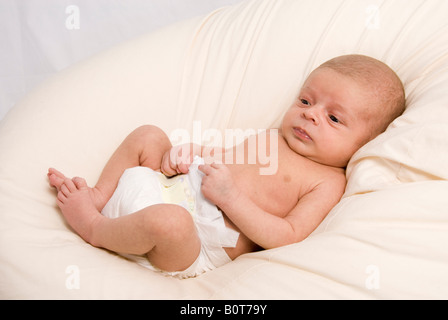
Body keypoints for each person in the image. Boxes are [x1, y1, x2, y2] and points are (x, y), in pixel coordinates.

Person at [47, 54, 406, 278]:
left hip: (192, 243)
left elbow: (288, 236)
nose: (310, 114)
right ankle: (98, 195)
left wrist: (232, 199)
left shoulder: (327, 182)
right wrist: (188, 153)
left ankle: (94, 226)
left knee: (170, 222)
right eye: (306, 100)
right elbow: (221, 157)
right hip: (166, 188)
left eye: (333, 117)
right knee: (150, 135)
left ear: (365, 142)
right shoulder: (271, 137)